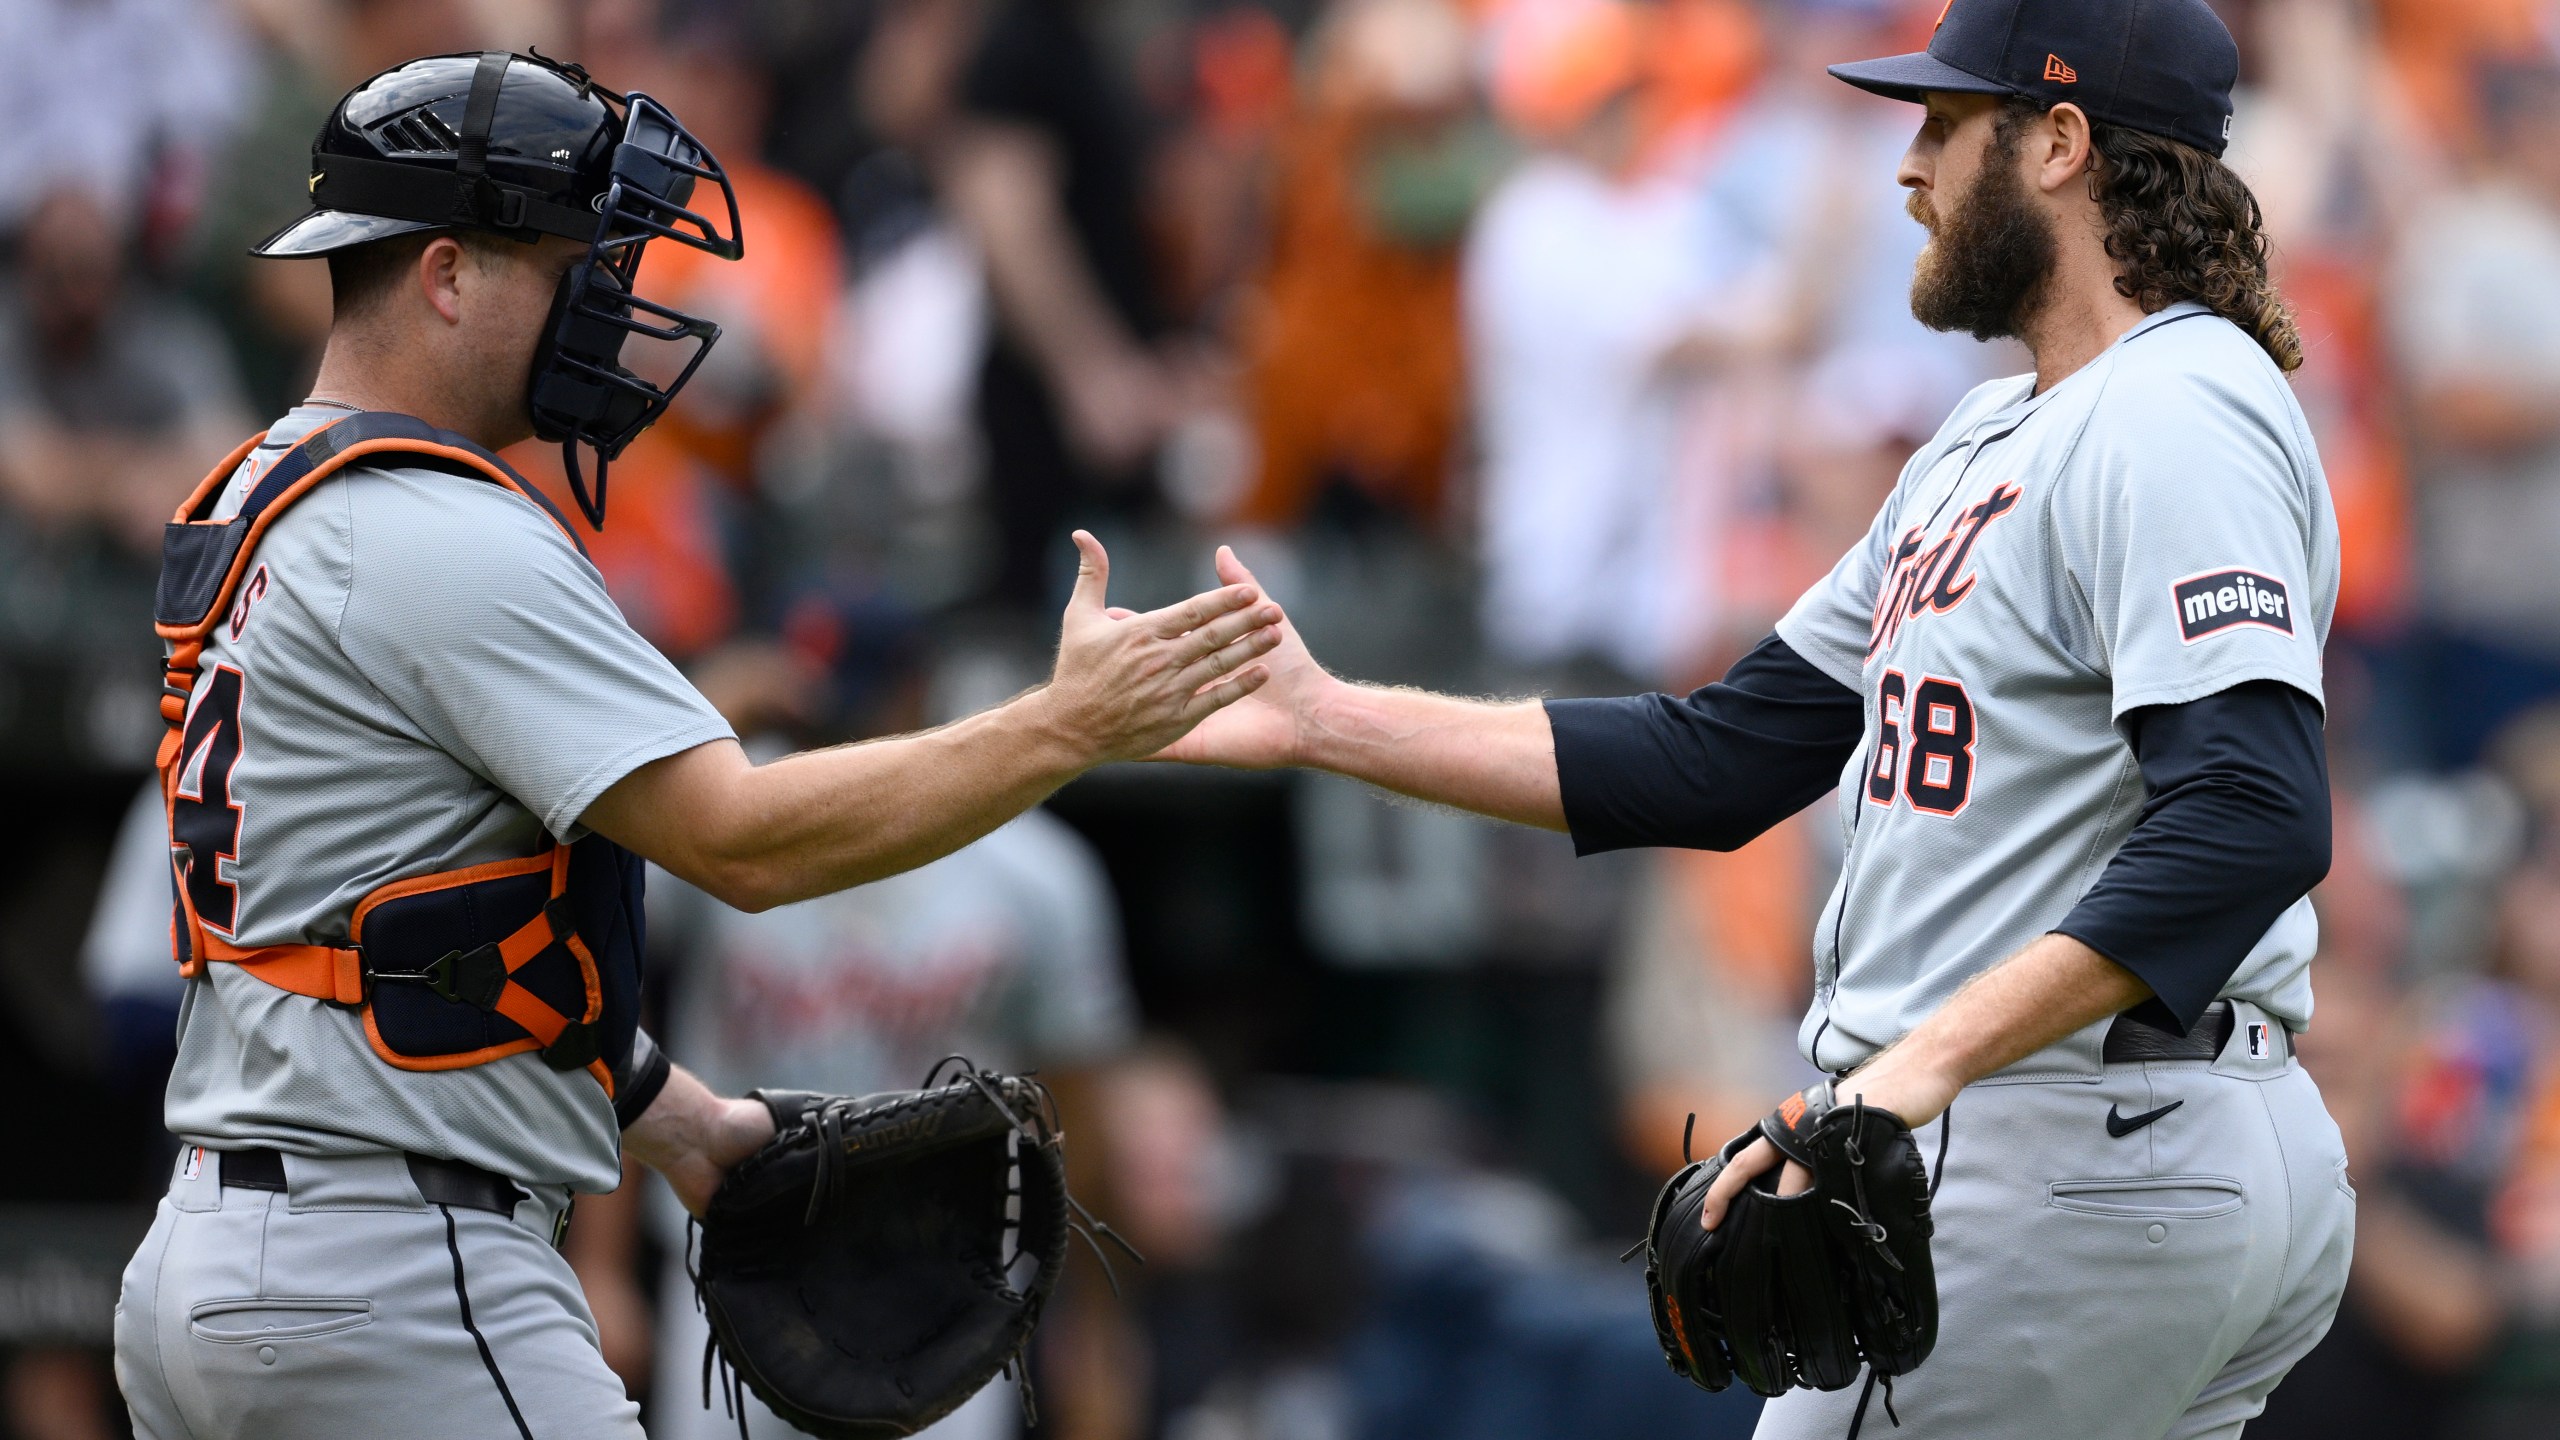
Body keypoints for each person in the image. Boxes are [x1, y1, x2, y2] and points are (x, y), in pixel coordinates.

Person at [1165, 0, 2355, 1435]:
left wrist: (1909, 1076)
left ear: (2059, 143)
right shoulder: (1989, 435)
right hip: (2121, 1146)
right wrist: (1324, 719)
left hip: (2064, 1148)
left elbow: (2253, 814)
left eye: (1942, 124)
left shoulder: (2174, 404)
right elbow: (1720, 756)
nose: (1907, 168)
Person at [111, 50, 1281, 1440]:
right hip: (398, 1277)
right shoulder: (440, 527)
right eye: (574, 264)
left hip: (217, 1264)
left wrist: (674, 1114)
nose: (612, 306)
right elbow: (747, 840)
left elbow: (402, 941)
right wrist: (1065, 724)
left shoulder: (260, 494)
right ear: (445, 275)